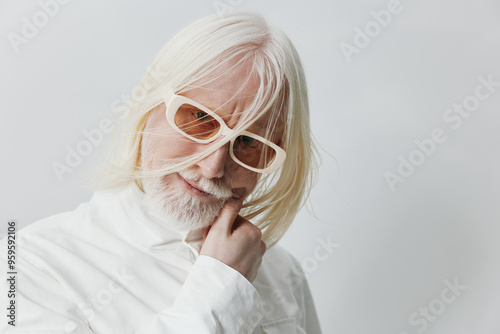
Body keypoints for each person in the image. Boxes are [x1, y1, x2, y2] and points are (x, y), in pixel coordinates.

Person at [1, 11, 321, 333]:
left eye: (249, 141)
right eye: (200, 117)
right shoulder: (26, 268)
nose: (213, 168)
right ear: (150, 102)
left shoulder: (283, 273)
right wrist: (223, 288)